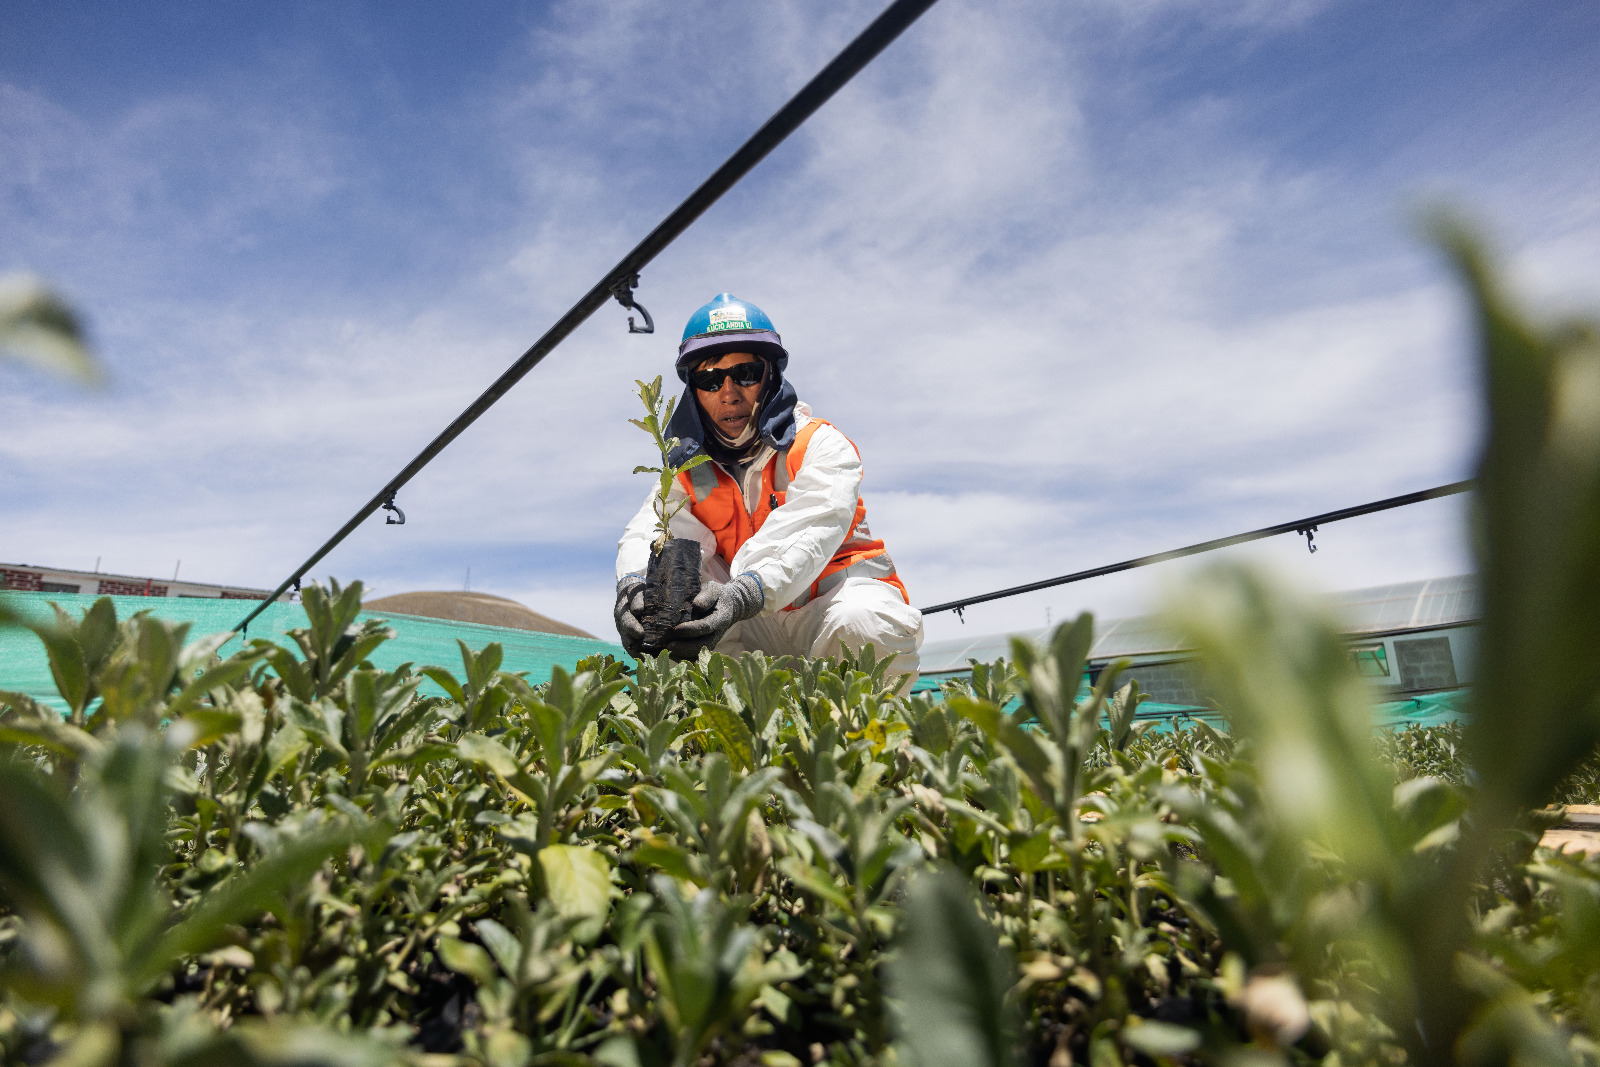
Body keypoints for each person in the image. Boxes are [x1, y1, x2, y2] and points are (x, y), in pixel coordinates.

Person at [615, 293, 923, 685]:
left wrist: (742, 594)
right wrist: (634, 587)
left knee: (862, 623)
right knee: (674, 615)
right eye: (710, 379)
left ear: (771, 376)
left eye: (745, 373)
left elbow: (810, 529)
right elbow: (650, 531)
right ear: (694, 392)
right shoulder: (686, 474)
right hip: (749, 627)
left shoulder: (820, 444)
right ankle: (723, 739)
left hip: (828, 610)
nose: (729, 392)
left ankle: (874, 741)